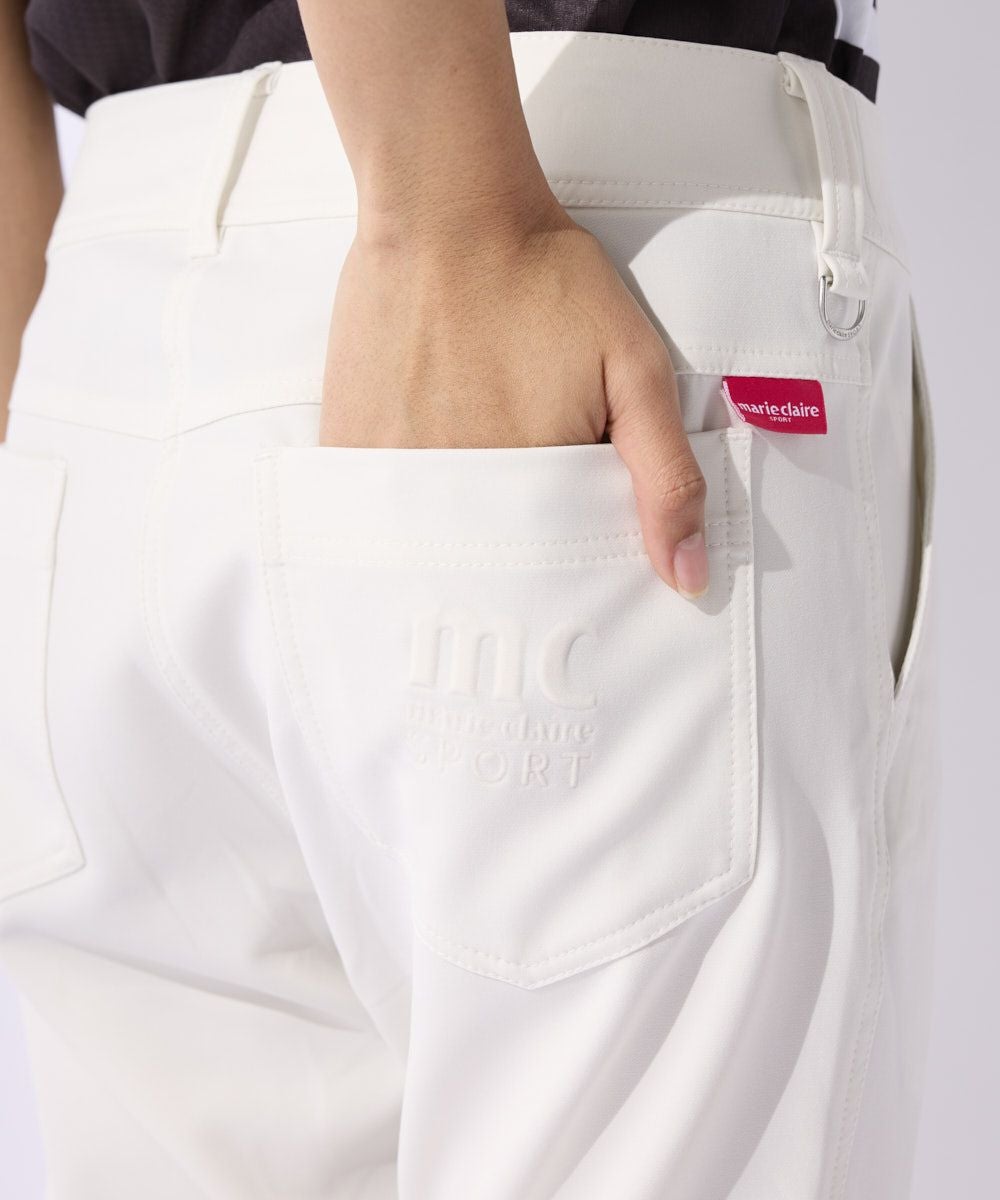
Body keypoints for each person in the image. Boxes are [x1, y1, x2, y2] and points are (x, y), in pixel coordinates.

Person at [0, 2, 938, 1198]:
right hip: (528, 216)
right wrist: (452, 221)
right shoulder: (461, 215)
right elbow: (439, 189)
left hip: (102, 352)